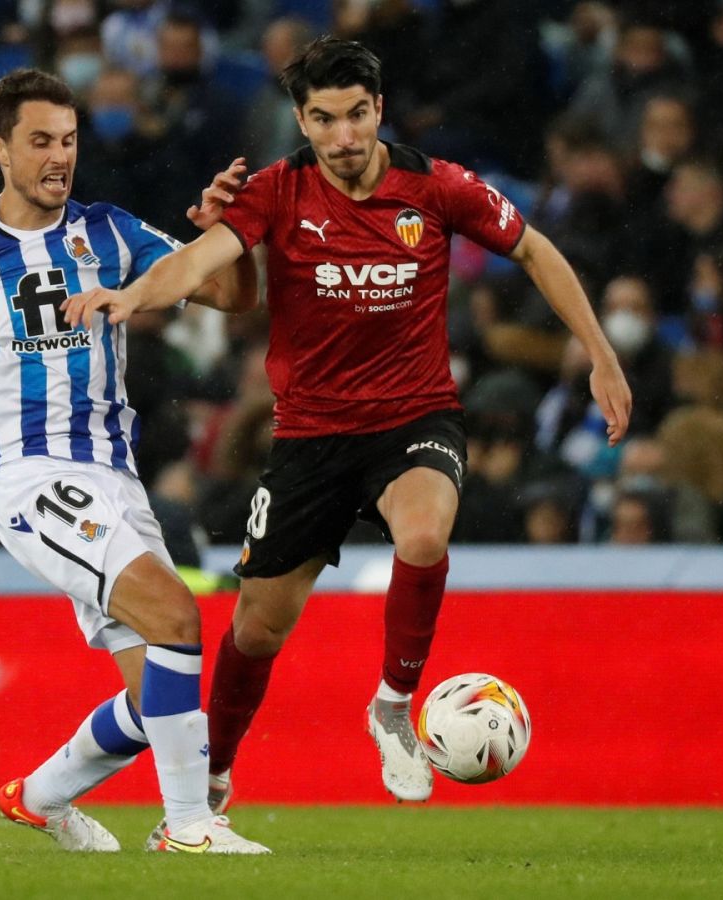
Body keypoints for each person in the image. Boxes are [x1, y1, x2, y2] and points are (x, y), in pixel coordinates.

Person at [63, 37, 632, 807]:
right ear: (301, 119)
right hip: (310, 439)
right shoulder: (275, 190)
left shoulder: (437, 186)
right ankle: (216, 771)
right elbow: (200, 261)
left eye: (356, 116)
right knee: (259, 628)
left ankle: (394, 705)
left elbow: (535, 251)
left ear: (379, 112)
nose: (343, 138)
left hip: (415, 416)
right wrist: (134, 296)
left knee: (425, 533)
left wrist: (599, 354)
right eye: (324, 120)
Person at [0, 69, 268, 855]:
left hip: (112, 472)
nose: (58, 157)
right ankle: (189, 828)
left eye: (68, 141)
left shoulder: (110, 231)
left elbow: (237, 299)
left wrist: (224, 234)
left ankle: (40, 796)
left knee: (159, 696)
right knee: (177, 614)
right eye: (40, 141)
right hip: (28, 476)